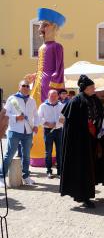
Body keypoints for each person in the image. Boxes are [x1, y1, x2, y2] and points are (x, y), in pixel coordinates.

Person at [60, 75, 104, 208]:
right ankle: (83, 196)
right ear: (85, 88)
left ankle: (88, 191)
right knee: (83, 168)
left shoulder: (95, 99)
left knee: (92, 167)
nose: (94, 89)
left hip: (94, 140)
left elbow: (100, 115)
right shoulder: (75, 101)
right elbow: (71, 125)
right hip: (80, 143)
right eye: (92, 87)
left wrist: (101, 127)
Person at [24, 8, 66, 167]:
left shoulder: (57, 47)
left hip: (49, 84)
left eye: (45, 25)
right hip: (38, 83)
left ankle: (51, 155)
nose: (41, 29)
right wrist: (34, 76)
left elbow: (59, 68)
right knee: (35, 114)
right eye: (41, 25)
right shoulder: (41, 48)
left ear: (54, 27)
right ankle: (35, 153)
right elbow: (40, 68)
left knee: (48, 114)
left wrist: (53, 85)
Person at [0, 81, 39, 187]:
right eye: (24, 86)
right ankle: (1, 177)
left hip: (28, 132)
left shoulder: (32, 100)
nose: (26, 87)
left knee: (26, 156)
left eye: (28, 86)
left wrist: (36, 125)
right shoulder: (12, 99)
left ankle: (26, 176)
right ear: (19, 87)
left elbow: (36, 115)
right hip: (15, 130)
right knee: (9, 154)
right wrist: (16, 118)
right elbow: (5, 113)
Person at [38, 90, 65, 178]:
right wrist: (47, 123)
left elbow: (64, 118)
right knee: (48, 152)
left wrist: (57, 124)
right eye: (51, 96)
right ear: (48, 96)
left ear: (58, 96)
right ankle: (49, 170)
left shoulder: (62, 106)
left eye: (55, 96)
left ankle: (60, 171)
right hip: (48, 131)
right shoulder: (43, 106)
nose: (53, 97)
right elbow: (39, 118)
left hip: (59, 130)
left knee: (59, 151)